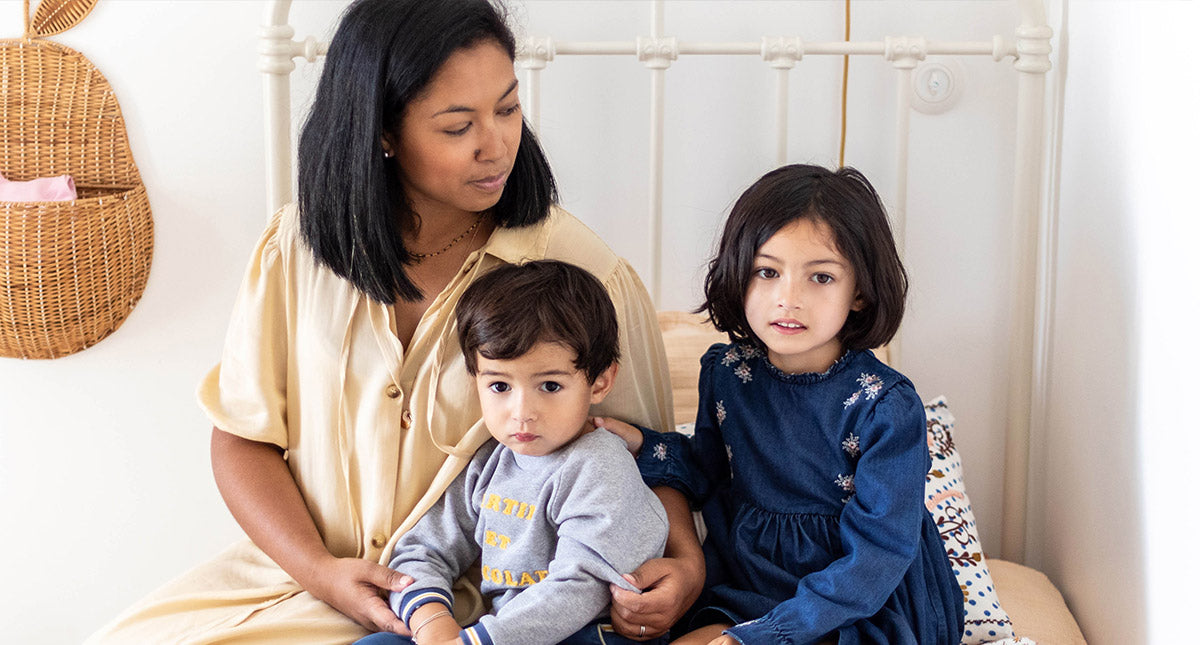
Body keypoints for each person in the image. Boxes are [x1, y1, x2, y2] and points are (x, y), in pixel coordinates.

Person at [84, 1, 701, 643]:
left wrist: (685, 562)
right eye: (458, 126)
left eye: (509, 108)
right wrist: (320, 572)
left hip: (489, 611)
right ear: (382, 132)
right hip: (296, 577)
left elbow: (641, 453)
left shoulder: (581, 273)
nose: (498, 145)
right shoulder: (297, 249)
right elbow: (243, 436)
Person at [620, 165, 964, 644]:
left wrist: (773, 634)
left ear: (859, 293)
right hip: (750, 587)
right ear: (740, 275)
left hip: (858, 604)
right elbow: (707, 470)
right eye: (767, 271)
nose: (788, 298)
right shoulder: (727, 375)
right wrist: (640, 443)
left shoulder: (885, 407)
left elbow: (879, 554)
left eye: (820, 277)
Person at [355, 260, 670, 645]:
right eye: (500, 386)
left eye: (550, 386)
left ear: (600, 382)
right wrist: (431, 622)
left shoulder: (599, 463)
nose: (522, 413)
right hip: (498, 633)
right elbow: (422, 550)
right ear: (477, 381)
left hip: (590, 633)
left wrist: (477, 642)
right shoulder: (488, 462)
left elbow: (581, 586)